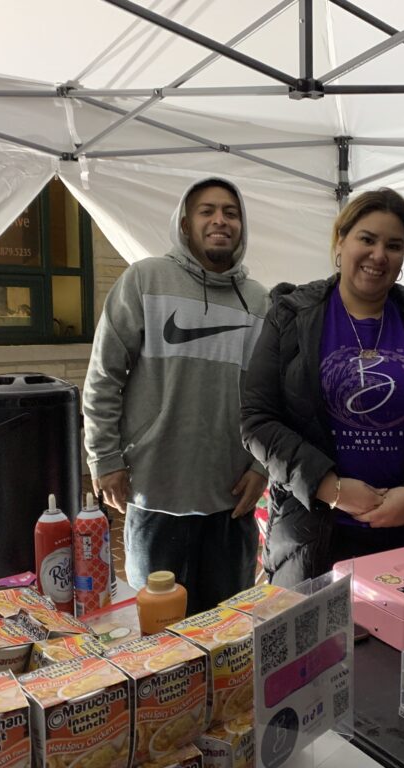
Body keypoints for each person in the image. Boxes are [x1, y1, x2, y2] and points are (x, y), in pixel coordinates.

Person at [240, 189, 404, 586]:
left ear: (403, 259)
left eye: (394, 245)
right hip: (314, 539)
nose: (379, 254)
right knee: (317, 647)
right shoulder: (291, 317)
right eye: (367, 239)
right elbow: (257, 420)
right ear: (340, 241)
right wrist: (328, 486)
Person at [83, 177, 269, 613]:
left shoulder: (260, 302)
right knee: (158, 638)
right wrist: (104, 458)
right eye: (207, 211)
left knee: (226, 634)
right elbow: (104, 375)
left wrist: (262, 467)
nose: (220, 220)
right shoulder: (145, 281)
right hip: (154, 496)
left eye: (231, 212)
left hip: (231, 501)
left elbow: (270, 397)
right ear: (184, 224)